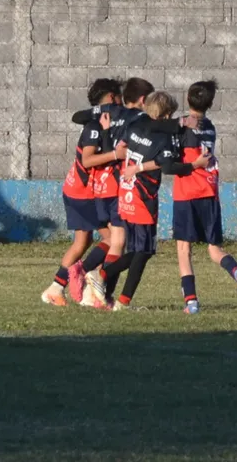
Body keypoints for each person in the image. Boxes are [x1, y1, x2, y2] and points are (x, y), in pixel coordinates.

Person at [68, 79, 196, 306]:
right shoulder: (161, 138)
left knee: (136, 249)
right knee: (141, 251)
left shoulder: (135, 126)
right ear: (167, 115)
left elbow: (118, 147)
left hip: (126, 193)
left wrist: (108, 135)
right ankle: (102, 279)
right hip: (143, 197)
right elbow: (167, 166)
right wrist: (191, 166)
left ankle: (116, 298)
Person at [172, 81, 237, 313]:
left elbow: (166, 136)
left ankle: (191, 302)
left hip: (187, 193)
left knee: (184, 249)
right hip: (209, 192)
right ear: (210, 104)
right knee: (214, 249)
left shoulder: (181, 127)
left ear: (187, 99)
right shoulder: (210, 126)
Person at [41, 77, 123, 306]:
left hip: (79, 189)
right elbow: (87, 160)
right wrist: (116, 155)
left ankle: (58, 289)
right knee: (112, 238)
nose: (123, 102)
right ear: (111, 97)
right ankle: (83, 277)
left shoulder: (99, 121)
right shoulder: (94, 126)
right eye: (120, 97)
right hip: (83, 192)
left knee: (83, 242)